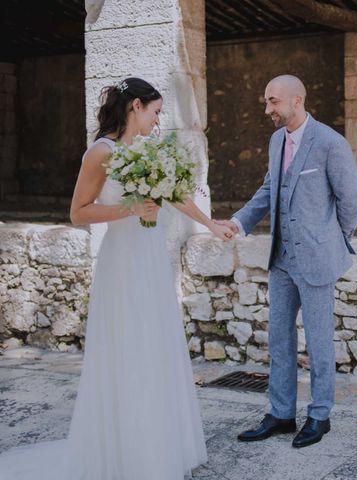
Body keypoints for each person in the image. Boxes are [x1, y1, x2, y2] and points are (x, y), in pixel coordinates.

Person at [0, 77, 234, 479]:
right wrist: (131, 211)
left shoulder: (145, 150)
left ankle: (156, 447)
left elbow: (175, 195)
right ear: (135, 107)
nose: (159, 120)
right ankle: (124, 451)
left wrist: (211, 225)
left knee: (154, 345)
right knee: (127, 347)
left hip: (149, 259)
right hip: (122, 261)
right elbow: (78, 212)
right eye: (156, 111)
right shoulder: (101, 152)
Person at [218, 74, 357, 448]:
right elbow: (269, 189)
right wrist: (238, 222)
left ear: (297, 100)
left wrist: (335, 239)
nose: (268, 110)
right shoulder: (276, 140)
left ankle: (319, 416)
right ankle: (282, 414)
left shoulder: (331, 143)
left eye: (273, 102)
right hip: (281, 259)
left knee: (318, 343)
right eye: (267, 102)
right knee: (279, 338)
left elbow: (352, 202)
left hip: (317, 260)